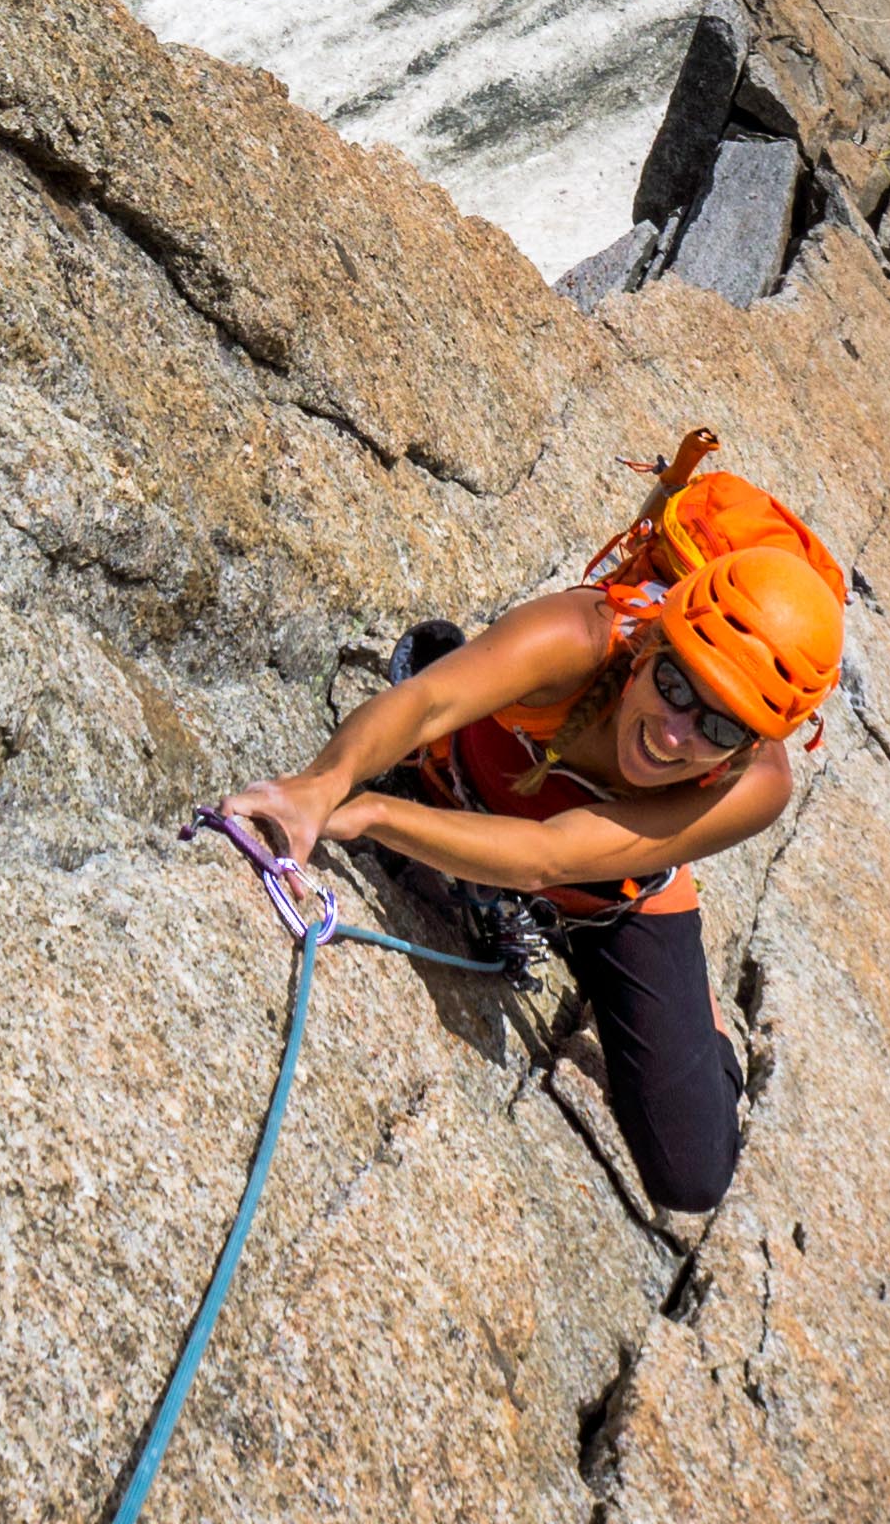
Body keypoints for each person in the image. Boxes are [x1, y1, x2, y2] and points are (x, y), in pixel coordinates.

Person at [230, 431, 847, 1217]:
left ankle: (704, 1015)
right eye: (675, 684)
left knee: (691, 1173)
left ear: (751, 746)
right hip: (475, 787)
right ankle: (469, 686)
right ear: (653, 643)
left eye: (719, 728)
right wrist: (323, 786)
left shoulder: (756, 786)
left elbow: (546, 856)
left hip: (603, 889)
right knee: (447, 691)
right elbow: (427, 703)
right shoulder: (583, 635)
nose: (674, 734)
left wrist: (376, 813)